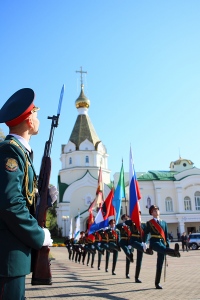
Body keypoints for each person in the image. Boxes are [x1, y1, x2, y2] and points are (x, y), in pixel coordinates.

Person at [0, 88, 56, 300]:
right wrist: (39, 235)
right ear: (30, 121)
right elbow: (10, 204)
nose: (38, 118)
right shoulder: (10, 151)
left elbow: (22, 199)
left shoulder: (21, 153)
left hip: (15, 256)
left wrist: (44, 200)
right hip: (8, 258)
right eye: (36, 114)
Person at [144, 205, 181, 289]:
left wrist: (167, 244)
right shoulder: (149, 223)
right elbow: (146, 233)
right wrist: (144, 242)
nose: (156, 211)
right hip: (154, 242)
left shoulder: (164, 223)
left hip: (162, 242)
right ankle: (174, 253)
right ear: (151, 213)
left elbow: (166, 236)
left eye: (157, 210)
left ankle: (157, 283)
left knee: (160, 264)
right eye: (154, 210)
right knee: (162, 249)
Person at [123, 213, 153, 282]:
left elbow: (147, 233)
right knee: (140, 247)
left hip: (141, 241)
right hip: (133, 241)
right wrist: (130, 220)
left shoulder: (143, 224)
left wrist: (145, 242)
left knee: (139, 260)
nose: (138, 216)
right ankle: (147, 251)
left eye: (139, 215)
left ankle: (137, 277)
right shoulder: (132, 223)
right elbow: (126, 222)